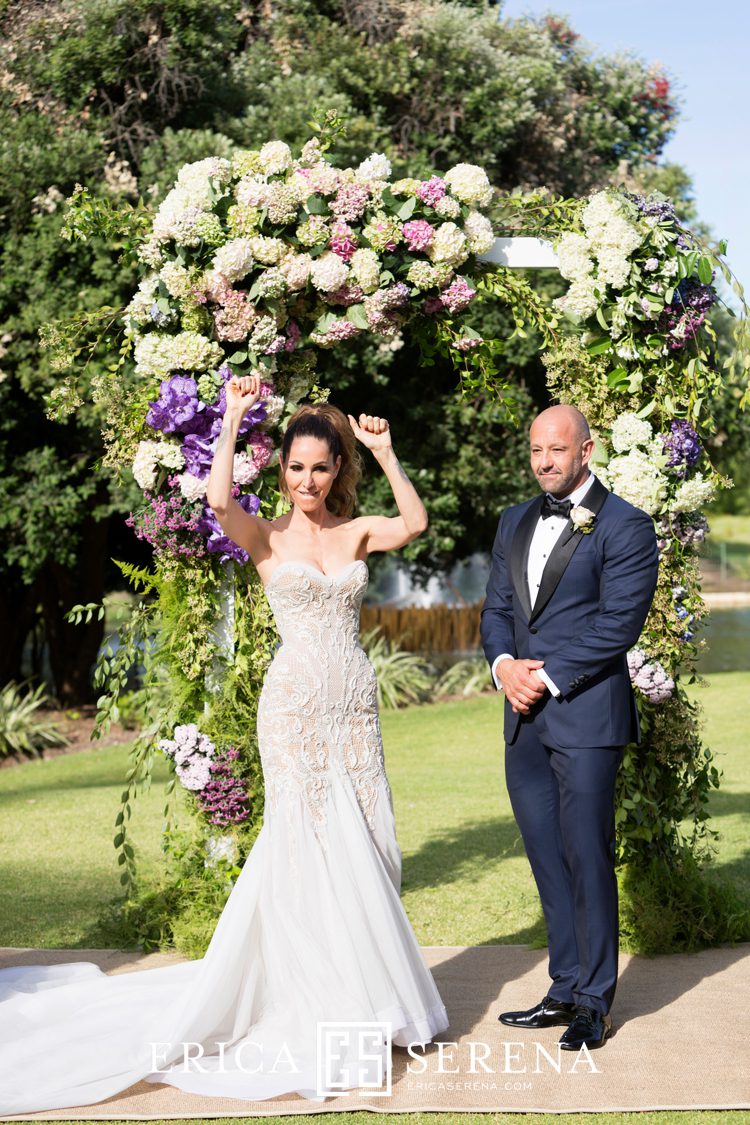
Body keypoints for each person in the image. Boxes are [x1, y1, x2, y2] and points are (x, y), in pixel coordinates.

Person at [0, 376, 448, 1113]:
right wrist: (235, 416)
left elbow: (416, 522)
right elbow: (214, 502)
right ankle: (321, 1001)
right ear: (283, 471)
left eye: (321, 467)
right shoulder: (266, 535)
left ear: (338, 471)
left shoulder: (356, 528)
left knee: (370, 842)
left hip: (353, 708)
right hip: (295, 707)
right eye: (297, 467)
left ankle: (372, 993)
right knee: (306, 848)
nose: (308, 480)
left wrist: (388, 452)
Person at [480, 404, 658, 1051]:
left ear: (587, 450)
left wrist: (544, 676)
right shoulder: (513, 521)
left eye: (556, 450)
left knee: (587, 857)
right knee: (548, 861)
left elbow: (618, 624)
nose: (544, 461)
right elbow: (497, 608)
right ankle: (563, 984)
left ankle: (593, 1001)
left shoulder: (627, 526)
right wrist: (504, 666)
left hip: (585, 718)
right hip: (522, 722)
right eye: (535, 451)